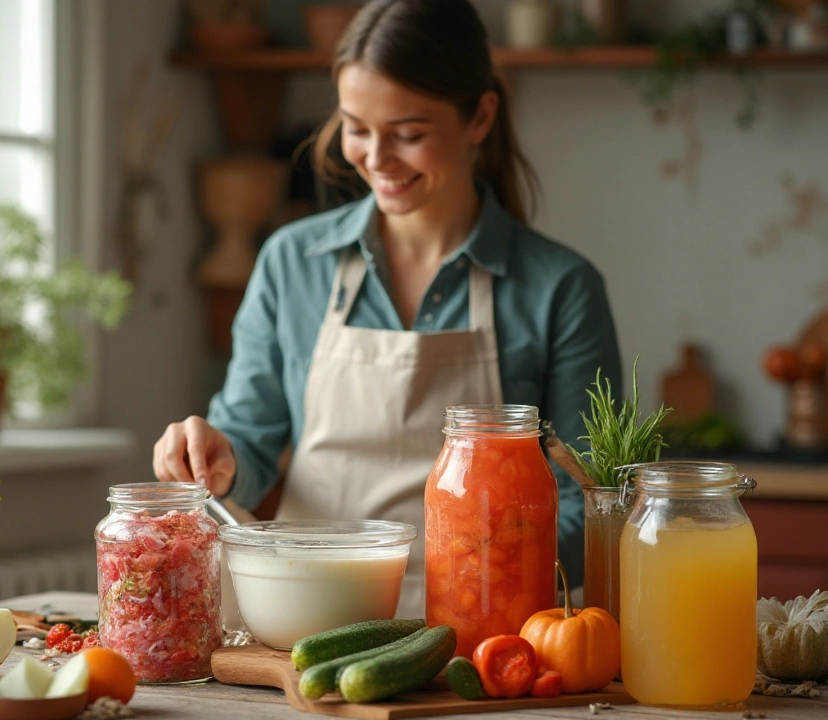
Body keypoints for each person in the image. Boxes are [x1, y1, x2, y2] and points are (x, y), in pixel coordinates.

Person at [154, 0, 622, 619]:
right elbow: (252, 436)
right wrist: (217, 452)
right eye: (356, 127)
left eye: (408, 133)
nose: (375, 157)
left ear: (480, 116)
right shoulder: (293, 262)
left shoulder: (559, 287)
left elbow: (592, 502)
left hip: (487, 631)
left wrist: (478, 573)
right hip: (302, 621)